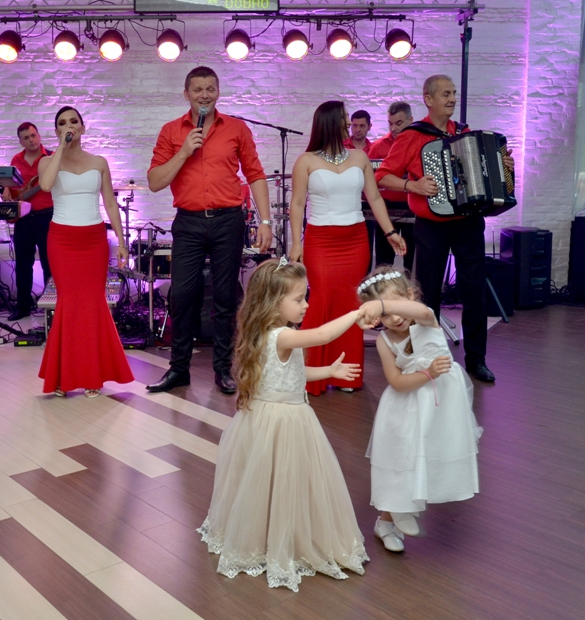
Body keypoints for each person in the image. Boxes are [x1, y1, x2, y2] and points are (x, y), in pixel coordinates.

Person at [198, 258, 370, 592]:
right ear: (274, 302)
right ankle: (279, 538)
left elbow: (290, 374)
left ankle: (266, 532)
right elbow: (322, 336)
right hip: (284, 421)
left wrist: (328, 372)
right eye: (299, 298)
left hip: (266, 418)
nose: (306, 305)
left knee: (268, 480)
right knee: (284, 478)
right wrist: (356, 314)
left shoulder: (267, 334)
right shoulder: (282, 335)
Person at [376, 74, 515, 383]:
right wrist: (412, 185)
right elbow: (382, 176)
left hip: (468, 223)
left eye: (453, 93)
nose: (452, 99)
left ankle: (476, 360)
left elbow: (487, 172)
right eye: (446, 94)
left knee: (474, 291)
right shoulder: (412, 135)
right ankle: (430, 357)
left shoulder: (464, 133)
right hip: (431, 226)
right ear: (428, 99)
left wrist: (503, 167)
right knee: (427, 294)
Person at [146, 66, 273, 395]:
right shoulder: (171, 131)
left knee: (226, 297)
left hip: (228, 221)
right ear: (186, 94)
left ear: (218, 92)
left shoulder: (237, 128)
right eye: (197, 89)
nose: (204, 95)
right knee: (182, 295)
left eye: (210, 89)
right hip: (188, 222)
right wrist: (184, 151)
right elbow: (155, 182)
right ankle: (179, 369)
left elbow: (255, 174)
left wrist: (265, 220)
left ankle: (223, 369)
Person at [355, 267, 481, 553]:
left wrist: (382, 304)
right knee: (404, 460)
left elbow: (421, 312)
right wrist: (428, 373)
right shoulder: (385, 341)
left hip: (442, 406)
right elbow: (397, 382)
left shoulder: (427, 320)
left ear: (410, 296)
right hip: (405, 407)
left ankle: (397, 514)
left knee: (430, 457)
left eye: (395, 306)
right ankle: (391, 516)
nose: (393, 318)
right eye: (385, 315)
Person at [288, 101, 406, 396]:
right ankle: (311, 374)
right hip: (320, 240)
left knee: (352, 303)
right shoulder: (306, 161)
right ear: (331, 123)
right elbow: (297, 204)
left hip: (355, 239)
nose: (348, 124)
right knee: (322, 300)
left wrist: (390, 232)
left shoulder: (360, 157)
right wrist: (296, 243)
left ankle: (347, 375)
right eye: (343, 119)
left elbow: (375, 198)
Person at [36, 105, 133, 397]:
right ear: (56, 130)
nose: (69, 126)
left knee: (93, 304)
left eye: (73, 121)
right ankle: (61, 376)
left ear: (83, 127)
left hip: (94, 240)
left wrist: (122, 241)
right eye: (62, 123)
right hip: (62, 240)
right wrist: (60, 148)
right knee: (68, 303)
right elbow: (46, 185)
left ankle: (93, 376)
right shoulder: (47, 161)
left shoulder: (99, 161)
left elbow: (110, 202)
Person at [1, 122, 52, 320]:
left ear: (39, 135)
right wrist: (6, 189)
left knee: (49, 265)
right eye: (26, 138)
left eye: (33, 135)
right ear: (20, 141)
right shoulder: (16, 159)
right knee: (23, 264)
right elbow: (10, 183)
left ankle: (51, 308)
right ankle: (23, 307)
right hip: (23, 218)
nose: (31, 140)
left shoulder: (51, 157)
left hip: (46, 216)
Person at [367, 101, 416, 270]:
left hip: (413, 207)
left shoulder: (419, 144)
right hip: (385, 208)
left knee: (413, 261)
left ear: (411, 120)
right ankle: (382, 287)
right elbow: (369, 180)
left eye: (399, 123)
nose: (393, 128)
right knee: (383, 261)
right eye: (390, 123)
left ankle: (411, 287)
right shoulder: (377, 146)